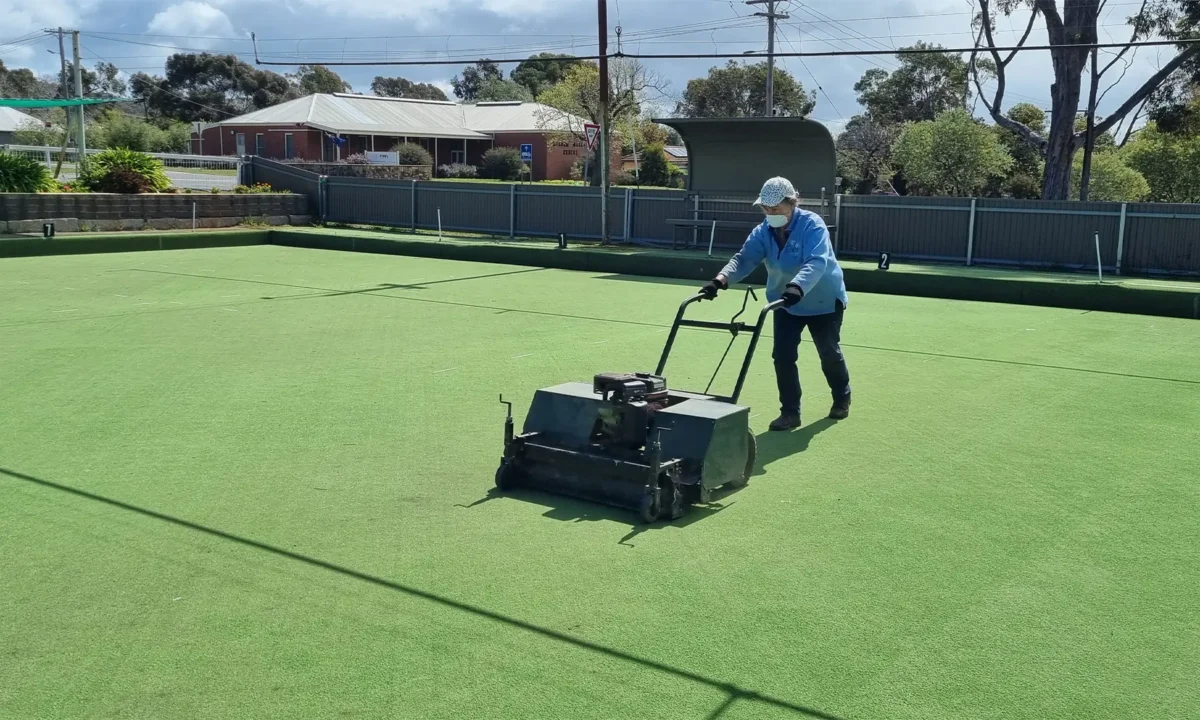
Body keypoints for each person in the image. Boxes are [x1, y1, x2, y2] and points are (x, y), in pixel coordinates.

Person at [699, 176, 851, 431]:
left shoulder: (812, 224)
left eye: (776, 208)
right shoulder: (763, 232)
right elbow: (744, 259)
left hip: (823, 299)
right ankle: (790, 412)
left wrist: (797, 286)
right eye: (766, 208)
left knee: (828, 352)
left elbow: (816, 261)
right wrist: (720, 280)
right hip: (785, 302)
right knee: (782, 356)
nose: (770, 212)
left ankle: (841, 397)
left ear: (792, 203)